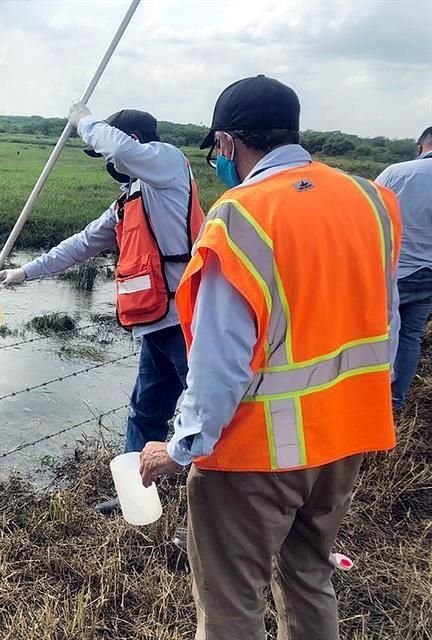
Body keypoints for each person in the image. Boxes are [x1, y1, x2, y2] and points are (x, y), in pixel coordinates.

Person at [138, 75, 401, 640]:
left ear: (229, 143)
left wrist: (181, 448)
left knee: (232, 603)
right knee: (309, 576)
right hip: (345, 437)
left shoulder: (241, 216)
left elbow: (219, 364)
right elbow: (390, 320)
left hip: (255, 454)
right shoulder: (372, 198)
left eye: (217, 150)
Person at [0, 104, 205, 511]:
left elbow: (118, 148)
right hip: (156, 324)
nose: (108, 163)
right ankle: (136, 500)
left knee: (206, 414)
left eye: (109, 154)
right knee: (145, 412)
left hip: (189, 320)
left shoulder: (168, 165)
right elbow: (82, 243)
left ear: (134, 144)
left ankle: (208, 509)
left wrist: (83, 119)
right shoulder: (128, 201)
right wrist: (24, 273)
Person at [377, 126, 432, 409]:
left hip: (394, 271)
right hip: (428, 276)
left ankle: (371, 397)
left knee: (377, 335)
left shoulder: (397, 172)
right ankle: (395, 401)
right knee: (411, 335)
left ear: (422, 144)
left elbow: (369, 211)